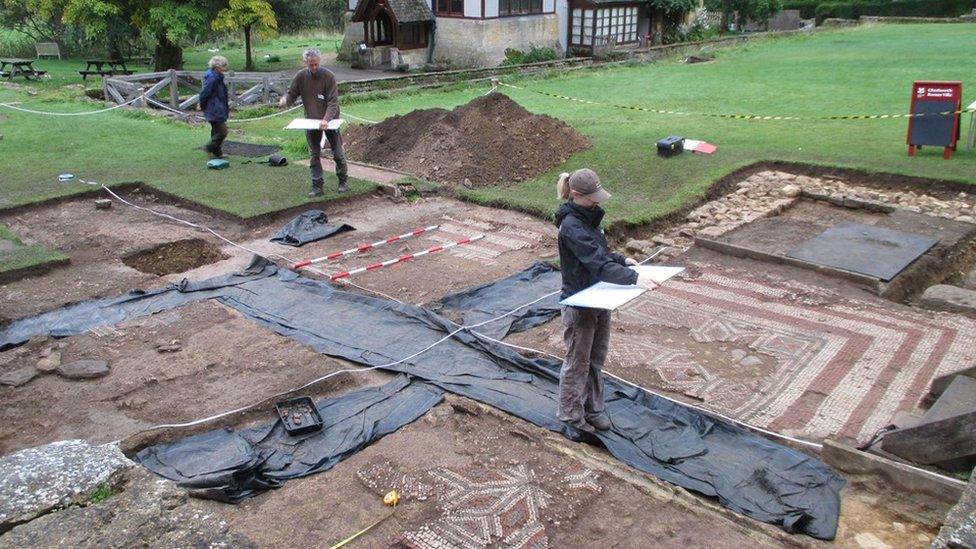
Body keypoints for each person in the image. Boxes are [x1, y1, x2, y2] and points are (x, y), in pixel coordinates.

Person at [554, 168, 658, 434]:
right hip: (581, 303)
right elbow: (595, 262)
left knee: (596, 358)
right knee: (578, 362)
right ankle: (571, 416)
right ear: (576, 195)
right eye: (593, 197)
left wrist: (622, 260)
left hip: (600, 297)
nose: (598, 201)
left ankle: (593, 409)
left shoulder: (588, 219)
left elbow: (601, 253)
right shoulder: (571, 227)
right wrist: (632, 278)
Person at [278, 48, 349, 197]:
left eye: (316, 64)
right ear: (306, 63)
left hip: (331, 121)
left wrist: (326, 119)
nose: (314, 67)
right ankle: (317, 186)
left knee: (338, 154)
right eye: (311, 65)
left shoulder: (329, 76)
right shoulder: (301, 76)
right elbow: (292, 94)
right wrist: (285, 100)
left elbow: (332, 102)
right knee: (314, 155)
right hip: (311, 120)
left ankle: (343, 182)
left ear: (319, 61)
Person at [199, 55, 230, 159]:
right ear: (217, 66)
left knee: (216, 131)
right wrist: (202, 105)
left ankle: (217, 153)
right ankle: (210, 147)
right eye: (223, 66)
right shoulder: (212, 78)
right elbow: (205, 93)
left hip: (218, 107)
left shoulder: (218, 77)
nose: (225, 68)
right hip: (214, 108)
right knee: (223, 131)